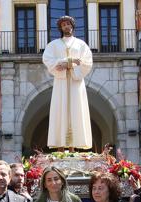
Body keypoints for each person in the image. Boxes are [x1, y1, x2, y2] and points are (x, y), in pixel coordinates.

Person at [42, 15, 93, 150]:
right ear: (60, 28)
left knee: (77, 110)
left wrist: (66, 64)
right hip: (61, 82)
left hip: (76, 83)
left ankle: (73, 148)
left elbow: (86, 62)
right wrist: (67, 63)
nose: (66, 26)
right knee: (60, 110)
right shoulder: (53, 45)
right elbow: (48, 60)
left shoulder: (81, 44)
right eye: (64, 25)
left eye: (68, 24)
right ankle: (60, 147)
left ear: (72, 26)